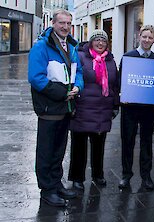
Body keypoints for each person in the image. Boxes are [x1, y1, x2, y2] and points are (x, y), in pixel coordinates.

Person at [28, 9, 84, 207]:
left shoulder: (71, 46)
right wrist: (62, 93)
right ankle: (47, 189)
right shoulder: (41, 47)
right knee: (46, 150)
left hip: (66, 107)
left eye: (69, 23)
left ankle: (56, 183)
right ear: (53, 23)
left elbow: (78, 71)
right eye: (62, 23)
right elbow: (36, 78)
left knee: (59, 149)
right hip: (49, 107)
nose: (66, 27)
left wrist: (78, 86)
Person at [68, 30, 120, 190]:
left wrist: (115, 106)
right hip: (82, 109)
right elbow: (73, 79)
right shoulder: (80, 57)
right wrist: (72, 105)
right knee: (79, 146)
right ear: (91, 42)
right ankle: (77, 178)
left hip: (102, 110)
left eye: (103, 41)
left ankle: (98, 175)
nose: (100, 43)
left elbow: (115, 85)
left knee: (99, 146)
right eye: (97, 40)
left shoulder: (110, 60)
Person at [118, 25, 154, 191]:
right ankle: (126, 175)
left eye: (150, 38)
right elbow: (122, 81)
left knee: (146, 143)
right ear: (139, 37)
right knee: (127, 142)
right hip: (130, 108)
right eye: (144, 37)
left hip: (148, 110)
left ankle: (146, 176)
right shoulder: (128, 57)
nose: (146, 40)